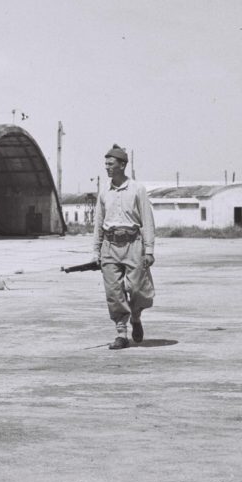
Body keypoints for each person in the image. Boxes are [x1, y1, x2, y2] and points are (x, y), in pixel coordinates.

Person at [92, 144, 156, 349]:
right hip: (109, 246)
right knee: (113, 291)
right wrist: (96, 251)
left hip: (133, 244)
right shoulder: (104, 192)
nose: (107, 167)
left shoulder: (137, 189)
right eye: (106, 164)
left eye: (111, 164)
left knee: (137, 289)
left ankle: (136, 317)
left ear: (122, 165)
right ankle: (121, 333)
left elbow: (147, 221)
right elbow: (98, 224)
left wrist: (149, 250)